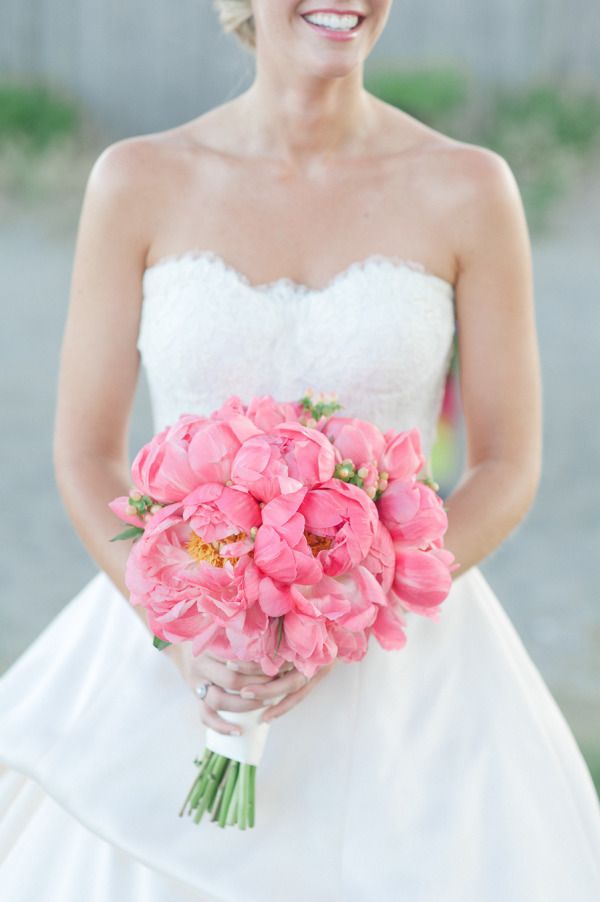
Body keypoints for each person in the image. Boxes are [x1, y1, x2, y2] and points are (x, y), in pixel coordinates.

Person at [1, 1, 600, 898]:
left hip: (400, 674)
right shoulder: (136, 181)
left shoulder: (471, 188)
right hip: (183, 652)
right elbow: (88, 454)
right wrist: (177, 629)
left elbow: (506, 464)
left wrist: (357, 601)